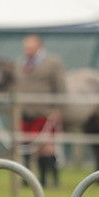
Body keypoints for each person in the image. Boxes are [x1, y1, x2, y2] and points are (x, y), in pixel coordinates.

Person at [11, 34, 67, 169]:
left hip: (44, 113)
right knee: (25, 146)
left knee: (46, 148)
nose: (27, 50)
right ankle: (26, 176)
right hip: (25, 112)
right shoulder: (21, 63)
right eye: (26, 47)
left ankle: (48, 180)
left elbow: (60, 87)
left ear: (39, 47)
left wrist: (58, 109)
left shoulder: (53, 63)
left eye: (31, 47)